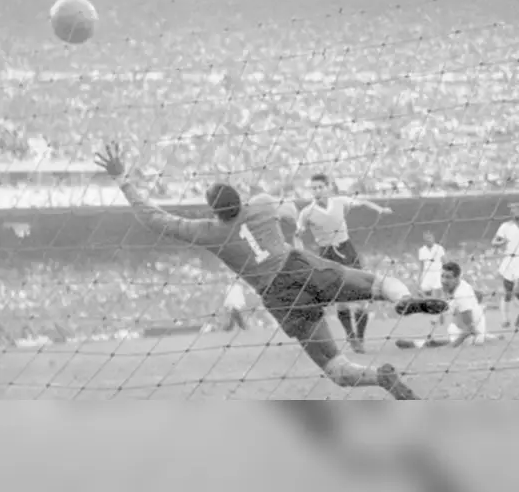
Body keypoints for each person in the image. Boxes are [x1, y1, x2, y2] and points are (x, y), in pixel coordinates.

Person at [94, 142, 446, 399]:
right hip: (300, 266)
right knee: (378, 284)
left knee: (334, 367)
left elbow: (155, 219)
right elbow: (291, 213)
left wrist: (123, 179)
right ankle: (401, 300)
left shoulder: (208, 232)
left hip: (278, 296)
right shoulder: (261, 205)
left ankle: (379, 377)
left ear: (214, 211)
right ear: (239, 198)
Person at [295, 173, 393, 353]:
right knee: (340, 299)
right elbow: (298, 234)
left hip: (347, 250)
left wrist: (379, 209)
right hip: (326, 254)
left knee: (362, 295)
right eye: (313, 188)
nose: (317, 191)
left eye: (320, 187)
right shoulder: (307, 213)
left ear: (328, 187)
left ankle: (360, 339)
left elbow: (362, 202)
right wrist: (300, 250)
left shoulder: (340, 202)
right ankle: (351, 336)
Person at [396, 261, 491, 349]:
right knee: (439, 338)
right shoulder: (459, 286)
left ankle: (416, 344)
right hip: (461, 328)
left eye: (448, 277)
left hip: (471, 336)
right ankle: (420, 343)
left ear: (457, 278)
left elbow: (471, 329)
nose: (444, 280)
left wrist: (450, 346)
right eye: (442, 276)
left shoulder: (462, 295)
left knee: (438, 343)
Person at [417, 231, 447, 297]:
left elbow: (445, 262)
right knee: (424, 293)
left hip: (437, 273)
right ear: (424, 240)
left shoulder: (439, 248)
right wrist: (419, 278)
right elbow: (421, 266)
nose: (428, 240)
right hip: (426, 274)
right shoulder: (422, 250)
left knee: (437, 292)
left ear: (433, 238)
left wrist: (445, 274)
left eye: (429, 238)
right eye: (426, 238)